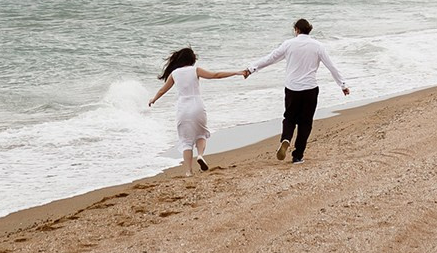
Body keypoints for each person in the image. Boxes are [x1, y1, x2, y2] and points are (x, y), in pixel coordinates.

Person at [242, 17, 349, 162]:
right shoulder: (318, 46)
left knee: (289, 118)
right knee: (306, 123)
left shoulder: (289, 44)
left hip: (292, 88)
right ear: (308, 30)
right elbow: (331, 66)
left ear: (296, 30)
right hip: (310, 89)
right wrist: (342, 85)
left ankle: (286, 139)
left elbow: (271, 58)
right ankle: (297, 156)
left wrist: (251, 69)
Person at [147, 47, 239, 177]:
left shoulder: (174, 73)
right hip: (197, 105)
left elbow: (163, 90)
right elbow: (215, 75)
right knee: (201, 134)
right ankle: (200, 155)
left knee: (186, 141)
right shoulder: (196, 70)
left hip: (182, 108)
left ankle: (188, 171)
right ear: (191, 59)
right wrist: (237, 72)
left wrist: (153, 99)